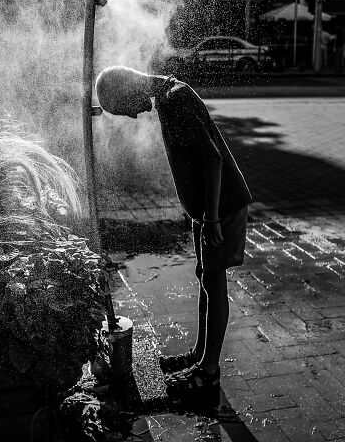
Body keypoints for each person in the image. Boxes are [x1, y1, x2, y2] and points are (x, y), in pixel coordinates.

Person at [95, 66, 252, 399]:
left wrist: (210, 219)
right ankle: (199, 356)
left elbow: (212, 159)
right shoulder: (169, 95)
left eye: (126, 109)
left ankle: (208, 373)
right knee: (206, 279)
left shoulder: (175, 99)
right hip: (210, 211)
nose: (134, 116)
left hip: (222, 209)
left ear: (129, 90)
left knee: (214, 282)